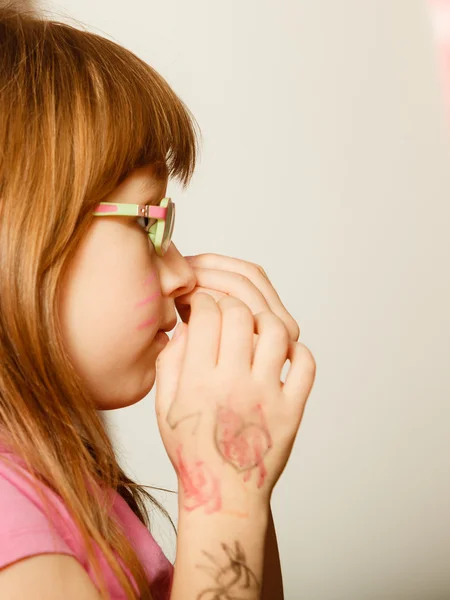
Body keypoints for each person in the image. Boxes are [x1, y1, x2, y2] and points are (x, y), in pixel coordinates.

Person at [0, 1, 317, 599]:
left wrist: (239, 486)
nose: (181, 273)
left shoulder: (63, 481)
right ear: (19, 231)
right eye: (150, 222)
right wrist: (224, 496)